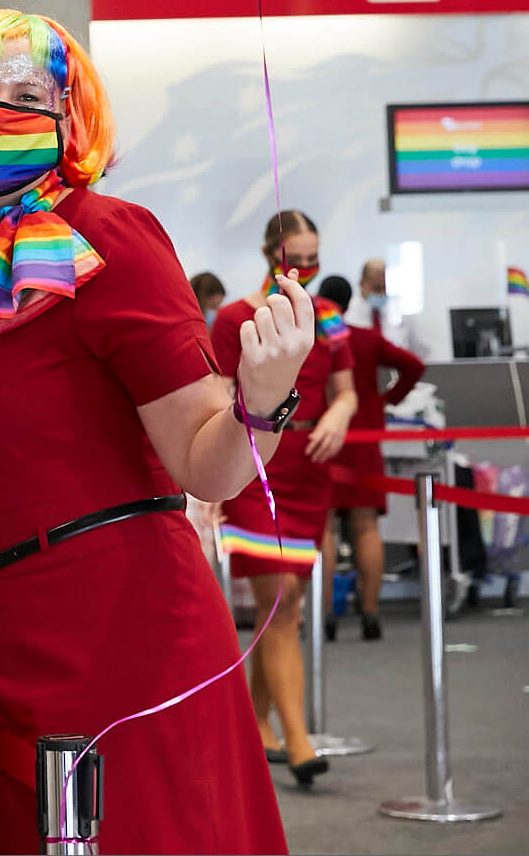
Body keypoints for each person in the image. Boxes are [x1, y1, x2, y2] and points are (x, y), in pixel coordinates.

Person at [0, 9, 307, 854]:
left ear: (69, 118)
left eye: (28, 96)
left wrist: (262, 401)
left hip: (118, 632)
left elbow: (206, 465)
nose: (0, 109)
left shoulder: (109, 234)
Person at [213, 210, 356, 785]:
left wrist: (340, 415)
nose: (305, 267)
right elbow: (220, 395)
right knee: (283, 595)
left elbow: (347, 391)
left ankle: (257, 721)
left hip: (310, 468)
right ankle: (299, 741)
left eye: (312, 258)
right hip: (255, 466)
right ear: (271, 253)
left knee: (289, 603)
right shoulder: (235, 318)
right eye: (294, 257)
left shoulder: (330, 317)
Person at [317, 274, 425, 641]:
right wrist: (386, 400)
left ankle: (325, 616)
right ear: (350, 302)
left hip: (321, 438)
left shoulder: (312, 341)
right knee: (366, 528)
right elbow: (414, 366)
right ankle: (370, 614)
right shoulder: (367, 339)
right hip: (363, 440)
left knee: (324, 529)